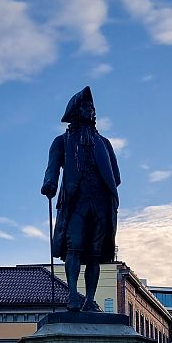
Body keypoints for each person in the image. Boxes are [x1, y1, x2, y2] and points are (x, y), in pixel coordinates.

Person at [41, 86, 121, 312]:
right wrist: (50, 183)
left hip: (101, 203)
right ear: (75, 112)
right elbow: (52, 168)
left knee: (95, 253)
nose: (91, 111)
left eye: (92, 108)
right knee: (73, 248)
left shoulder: (104, 143)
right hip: (75, 202)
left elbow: (115, 176)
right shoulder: (62, 141)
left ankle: (90, 300)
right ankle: (73, 296)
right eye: (85, 107)